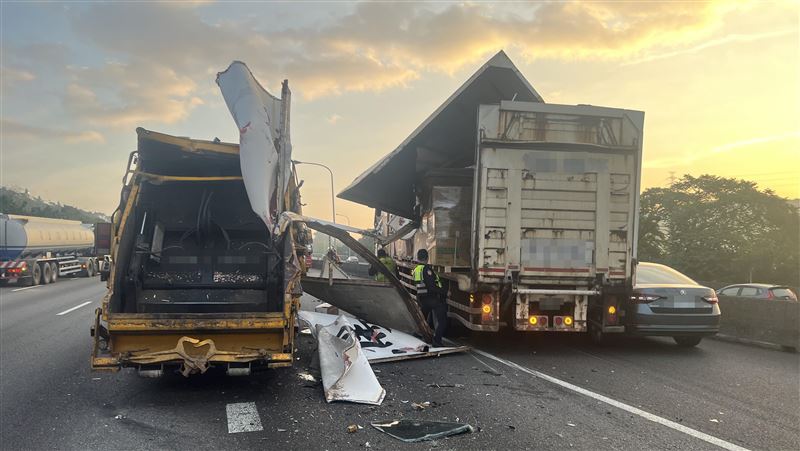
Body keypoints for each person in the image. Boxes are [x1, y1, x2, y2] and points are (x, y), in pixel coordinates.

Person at [413, 249, 447, 347]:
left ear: (418, 257)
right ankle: (437, 341)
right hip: (432, 298)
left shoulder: (416, 269)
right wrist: (445, 292)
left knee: (423, 319)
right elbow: (431, 287)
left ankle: (418, 335)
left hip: (421, 298)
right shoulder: (427, 270)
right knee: (442, 320)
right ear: (427, 258)